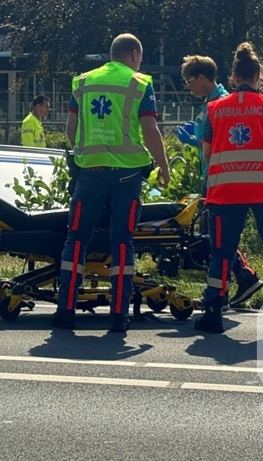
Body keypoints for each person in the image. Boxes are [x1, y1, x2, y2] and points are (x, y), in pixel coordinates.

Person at [52, 33, 171, 333]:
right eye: (139, 59)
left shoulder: (82, 83)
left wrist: (88, 151)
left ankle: (65, 310)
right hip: (127, 177)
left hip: (89, 174)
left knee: (76, 238)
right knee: (122, 241)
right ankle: (119, 315)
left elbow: (70, 129)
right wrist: (164, 166)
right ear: (133, 54)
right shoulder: (140, 83)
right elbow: (149, 129)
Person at [196, 42, 263, 335]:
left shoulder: (214, 109)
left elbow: (207, 154)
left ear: (232, 78)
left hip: (226, 192)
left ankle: (213, 314)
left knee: (221, 252)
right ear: (258, 76)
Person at [177, 55, 263, 309]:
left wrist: (196, 141)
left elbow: (217, 142)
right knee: (215, 235)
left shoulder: (219, 102)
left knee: (214, 235)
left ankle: (232, 285)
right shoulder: (212, 101)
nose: (189, 86)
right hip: (215, 173)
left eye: (190, 80)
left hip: (217, 176)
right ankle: (236, 282)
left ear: (203, 78)